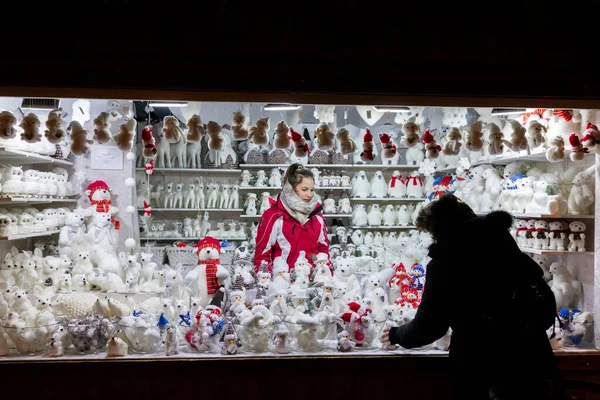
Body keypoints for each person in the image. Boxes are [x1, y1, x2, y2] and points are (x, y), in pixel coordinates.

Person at [382, 194, 561, 399]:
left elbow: (430, 325)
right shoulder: (506, 247)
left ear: (440, 231)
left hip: (482, 365)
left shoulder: (446, 262)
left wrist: (397, 335)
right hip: (534, 359)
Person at [254, 163, 331, 273]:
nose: (309, 195)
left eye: (312, 190)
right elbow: (262, 256)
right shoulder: (273, 216)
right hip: (284, 283)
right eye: (304, 189)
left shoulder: (317, 215)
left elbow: (323, 250)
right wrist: (269, 284)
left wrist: (326, 276)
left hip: (313, 282)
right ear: (290, 189)